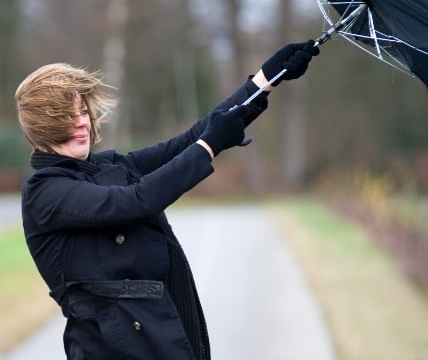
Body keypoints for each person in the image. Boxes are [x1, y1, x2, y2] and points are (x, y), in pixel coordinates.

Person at [14, 40, 319, 360]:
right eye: (67, 116)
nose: (82, 123)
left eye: (82, 112)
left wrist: (264, 81)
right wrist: (209, 147)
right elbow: (134, 202)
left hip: (162, 337)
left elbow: (189, 140)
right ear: (42, 126)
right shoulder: (44, 192)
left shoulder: (108, 166)